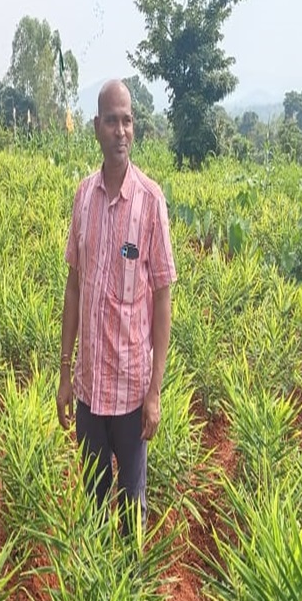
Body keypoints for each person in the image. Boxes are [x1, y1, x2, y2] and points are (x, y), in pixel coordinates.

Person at [56, 79, 177, 535]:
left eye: (127, 120)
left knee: (131, 512)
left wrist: (155, 391)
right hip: (89, 389)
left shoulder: (150, 201)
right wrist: (65, 374)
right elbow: (73, 288)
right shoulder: (83, 198)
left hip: (130, 392)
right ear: (96, 128)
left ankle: (127, 597)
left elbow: (163, 297)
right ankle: (96, 592)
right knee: (92, 504)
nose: (121, 130)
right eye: (112, 120)